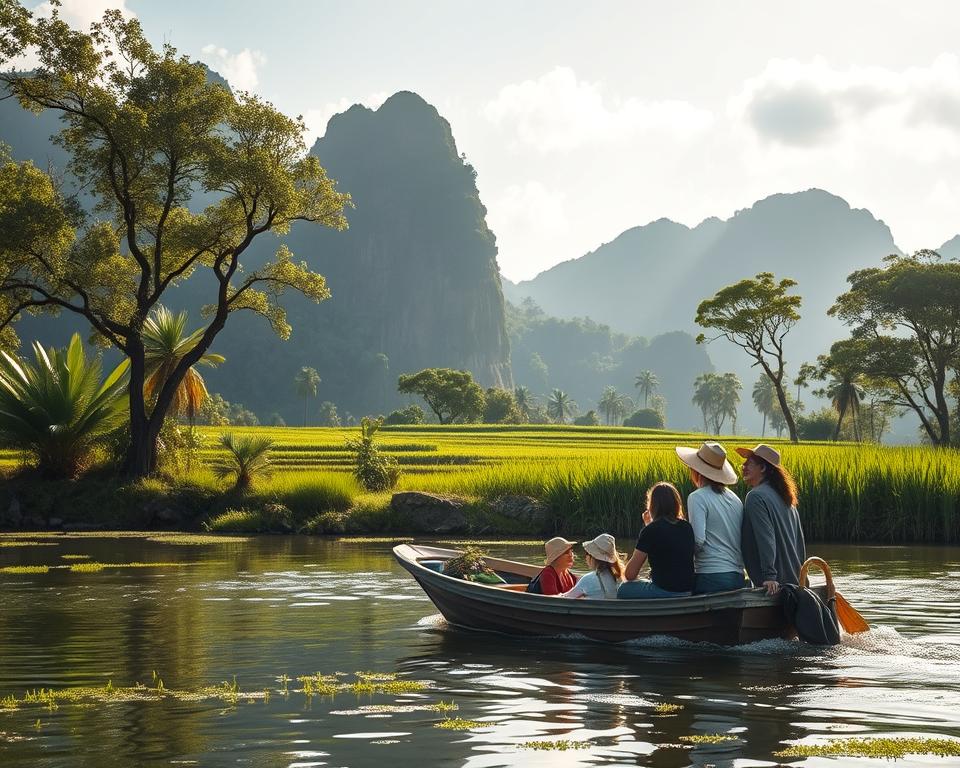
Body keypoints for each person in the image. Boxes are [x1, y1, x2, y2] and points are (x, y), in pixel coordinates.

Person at [675, 442, 748, 594]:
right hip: (738, 576)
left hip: (710, 576)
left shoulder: (697, 497)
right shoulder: (735, 499)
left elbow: (698, 540)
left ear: (696, 471)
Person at [737, 444, 806, 596]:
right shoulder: (786, 498)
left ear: (762, 468)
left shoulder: (756, 496)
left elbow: (765, 538)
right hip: (793, 581)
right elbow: (799, 544)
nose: (743, 466)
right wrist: (802, 578)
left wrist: (769, 576)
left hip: (775, 585)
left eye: (749, 463)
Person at [618, 482, 695, 599]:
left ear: (652, 506)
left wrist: (648, 527)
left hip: (666, 591)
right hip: (688, 590)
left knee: (623, 589)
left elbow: (630, 574)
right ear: (676, 504)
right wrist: (649, 526)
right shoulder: (687, 527)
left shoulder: (650, 531)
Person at [560, 533, 623, 599]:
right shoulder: (620, 578)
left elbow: (566, 597)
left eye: (587, 553)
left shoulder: (588, 579)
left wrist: (552, 595)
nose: (585, 557)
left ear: (593, 557)